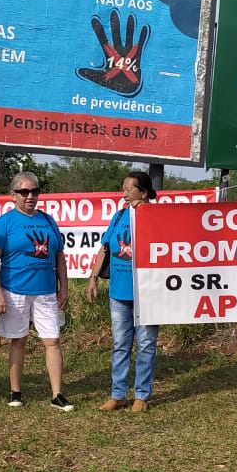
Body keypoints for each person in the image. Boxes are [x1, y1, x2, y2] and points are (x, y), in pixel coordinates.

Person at [0, 172, 73, 411]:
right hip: (15, 290)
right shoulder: (5, 223)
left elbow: (59, 256)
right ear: (13, 196)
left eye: (35, 191)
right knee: (19, 340)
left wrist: (63, 288)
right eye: (24, 192)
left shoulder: (48, 220)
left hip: (46, 291)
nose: (30, 196)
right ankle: (15, 392)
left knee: (53, 340)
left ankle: (57, 394)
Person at [86, 171, 159, 412]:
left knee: (146, 344)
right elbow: (105, 249)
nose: (124, 192)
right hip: (118, 292)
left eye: (130, 188)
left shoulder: (156, 216)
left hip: (147, 293)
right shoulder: (118, 217)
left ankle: (141, 395)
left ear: (144, 192)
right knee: (121, 344)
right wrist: (93, 277)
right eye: (123, 187)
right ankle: (118, 394)